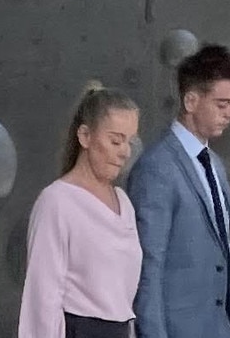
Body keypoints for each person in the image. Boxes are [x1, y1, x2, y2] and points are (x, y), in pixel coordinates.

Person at [127, 45, 230, 338]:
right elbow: (147, 271)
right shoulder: (156, 169)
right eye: (222, 104)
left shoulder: (215, 165)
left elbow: (225, 262)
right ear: (191, 100)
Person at [18, 81, 142, 338]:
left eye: (129, 142)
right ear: (85, 136)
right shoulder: (57, 201)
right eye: (115, 141)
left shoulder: (123, 202)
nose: (125, 152)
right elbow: (43, 297)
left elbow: (124, 294)